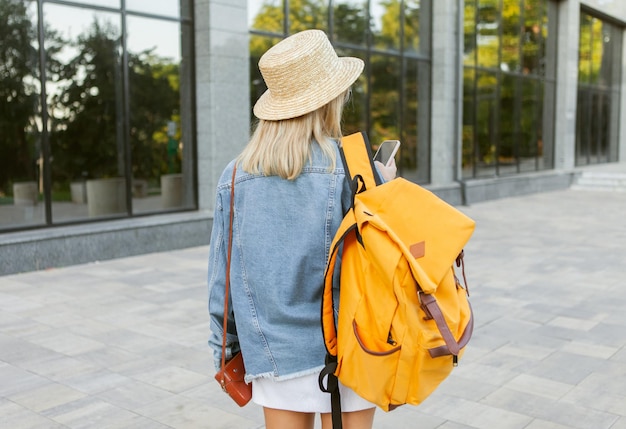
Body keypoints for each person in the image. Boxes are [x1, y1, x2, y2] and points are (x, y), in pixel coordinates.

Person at [207, 29, 396, 429]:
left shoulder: (235, 176)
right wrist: (385, 187)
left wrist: (226, 352)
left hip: (273, 351)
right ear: (329, 99)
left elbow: (220, 283)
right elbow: (387, 267)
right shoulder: (355, 167)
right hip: (351, 346)